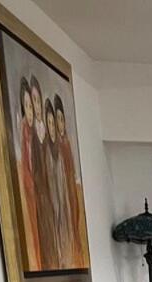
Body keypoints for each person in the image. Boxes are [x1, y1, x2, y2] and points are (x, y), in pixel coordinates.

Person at [53, 95, 86, 268]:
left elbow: (71, 172)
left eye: (61, 119)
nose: (59, 124)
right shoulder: (54, 145)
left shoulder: (66, 144)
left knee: (72, 222)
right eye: (56, 119)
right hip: (59, 193)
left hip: (69, 193)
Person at [29, 77, 56, 269]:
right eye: (33, 102)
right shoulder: (29, 134)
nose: (36, 107)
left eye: (38, 101)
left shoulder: (48, 141)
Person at [15, 77, 41, 269]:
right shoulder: (25, 131)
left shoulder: (38, 135)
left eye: (33, 105)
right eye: (28, 106)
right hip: (30, 189)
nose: (32, 111)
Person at [43, 99, 71, 269]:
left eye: (56, 122)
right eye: (50, 123)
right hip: (52, 200)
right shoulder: (46, 150)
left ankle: (64, 256)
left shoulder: (61, 149)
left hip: (62, 198)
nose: (54, 127)